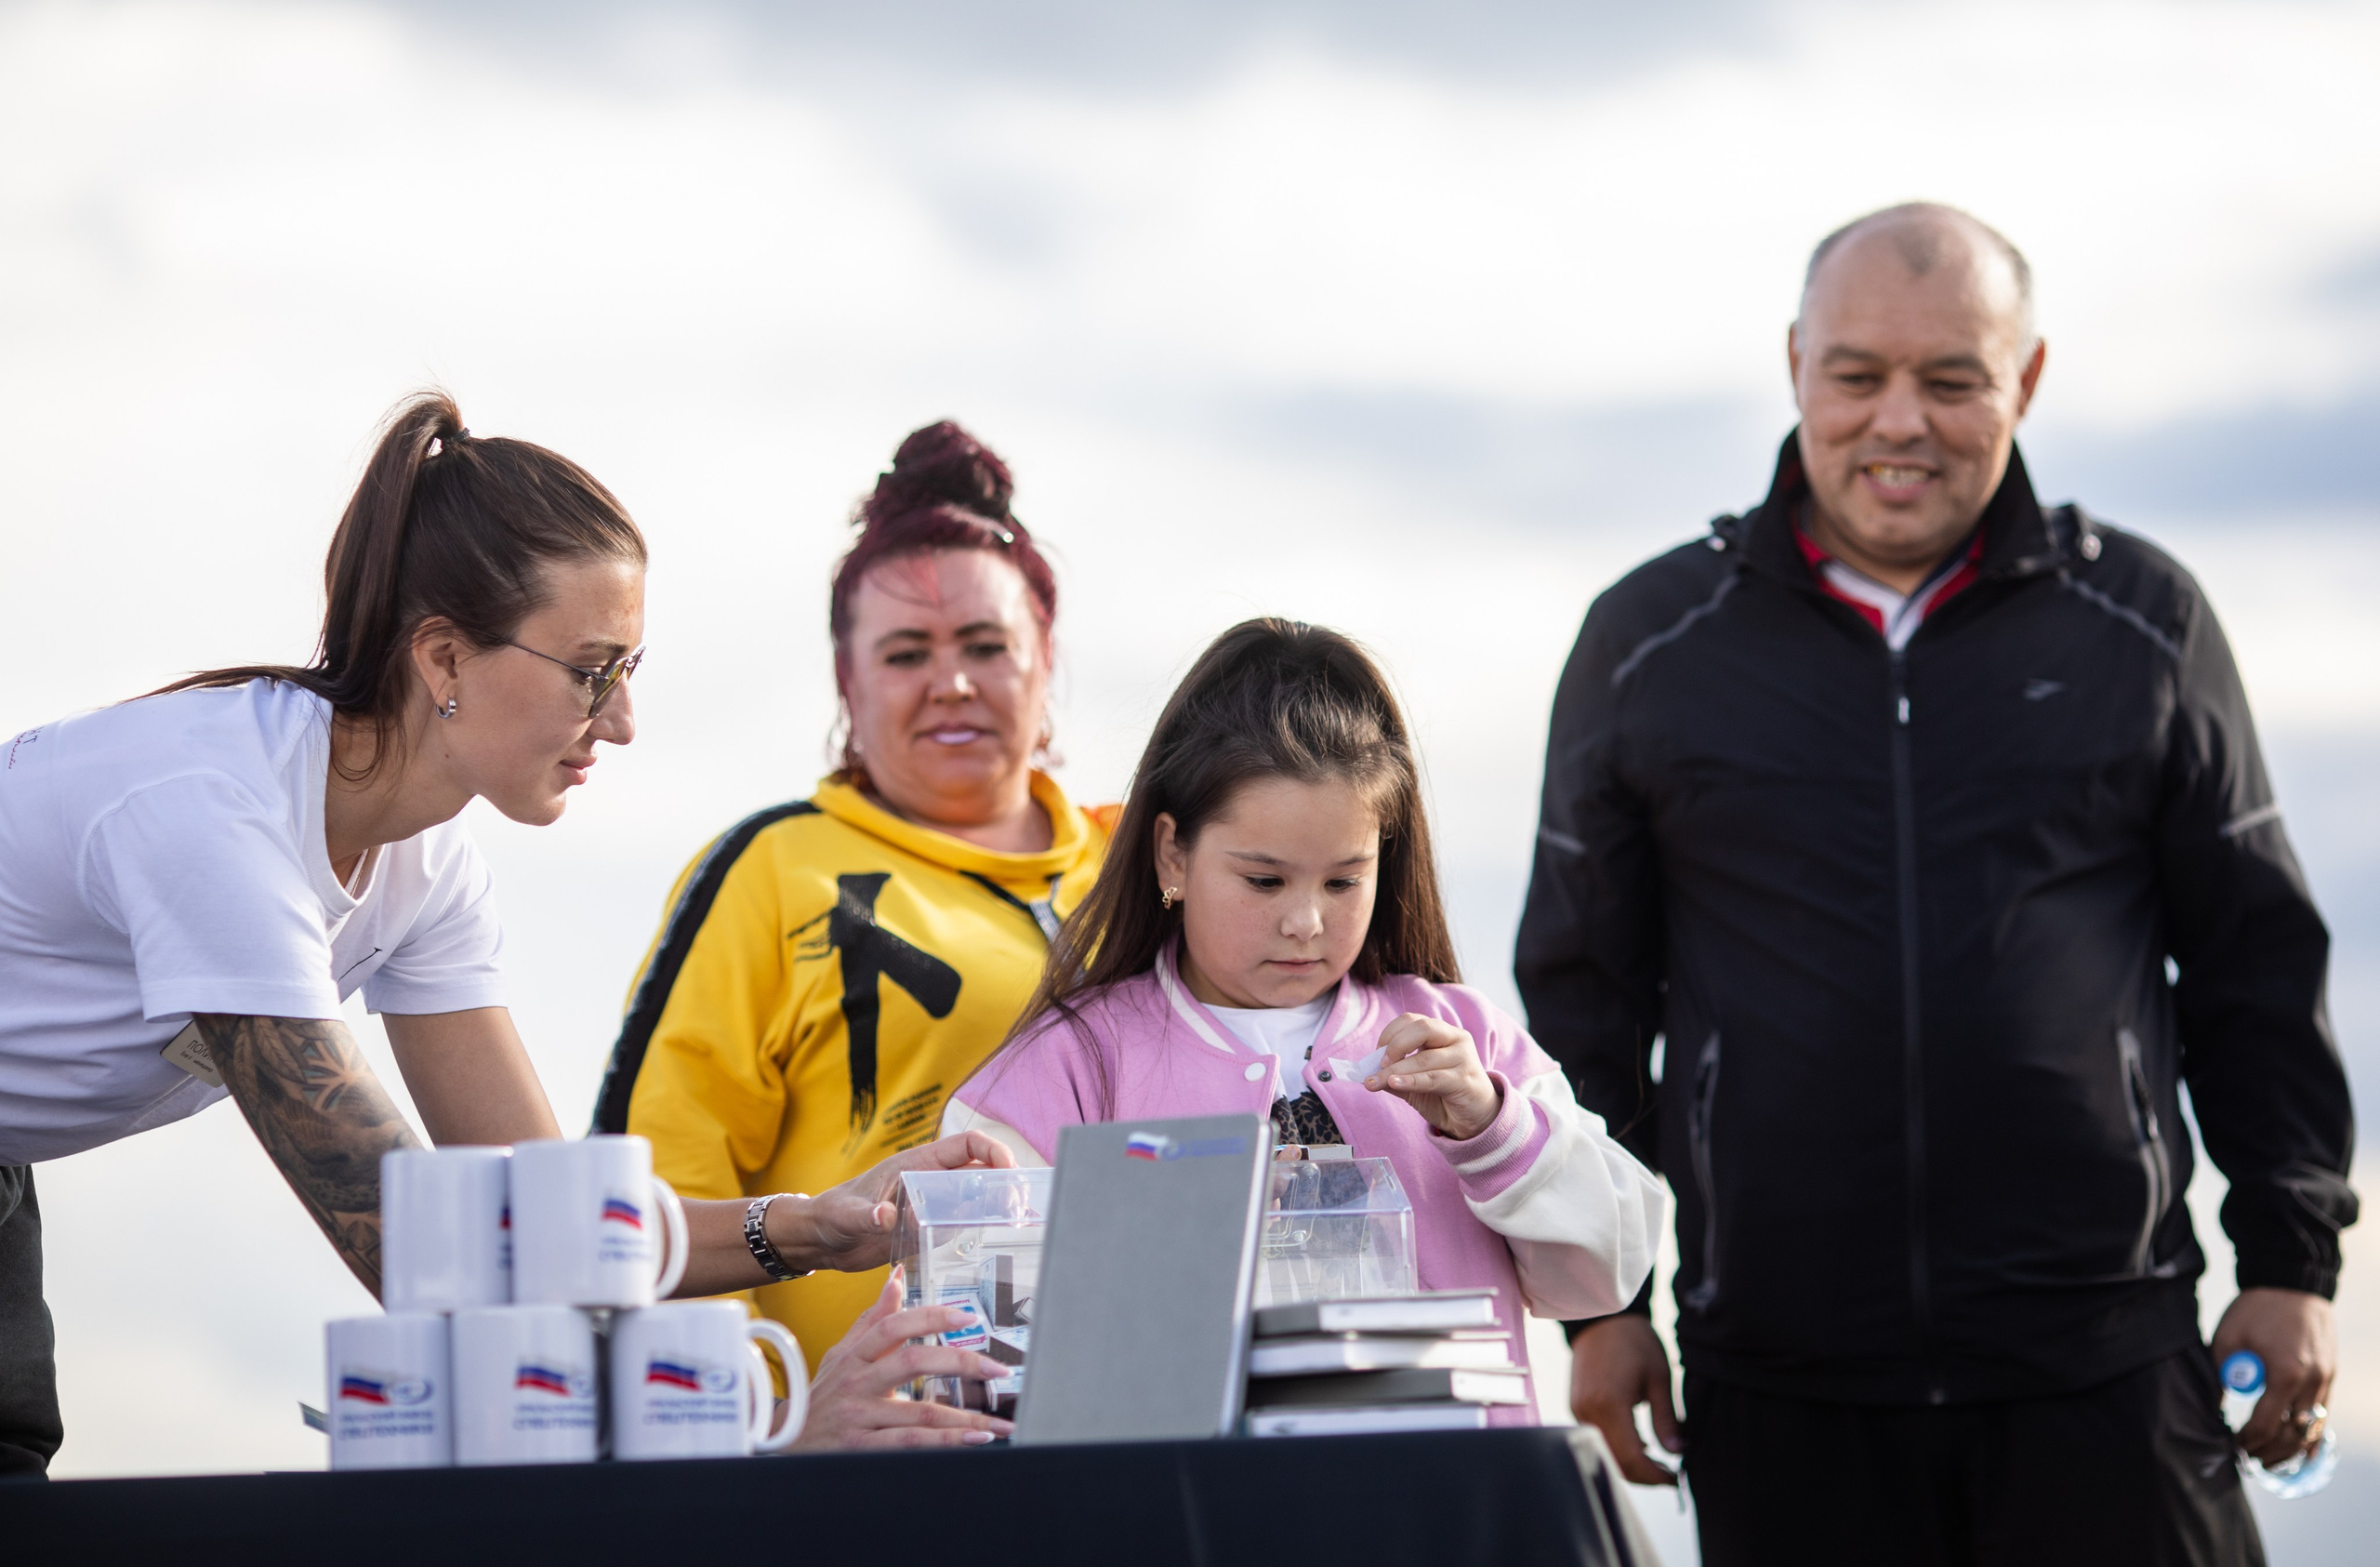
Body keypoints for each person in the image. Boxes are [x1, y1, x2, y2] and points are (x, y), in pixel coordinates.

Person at [1517, 204, 2357, 1564]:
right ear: (1796, 366)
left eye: (1952, 379)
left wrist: (2291, 1262)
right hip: (1781, 1384)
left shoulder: (2143, 622)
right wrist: (1600, 1307)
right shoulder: (1649, 643)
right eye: (1857, 374)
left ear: (2025, 378)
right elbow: (1581, 1006)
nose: (1898, 420)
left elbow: (2254, 962)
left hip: (2105, 1366)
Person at [0, 393, 1010, 1475]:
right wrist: (775, 1441)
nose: (621, 719)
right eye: (591, 669)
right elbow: (416, 1250)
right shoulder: (216, 813)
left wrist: (815, 1223)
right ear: (442, 659)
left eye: (630, 669)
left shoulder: (428, 865)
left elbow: (558, 1224)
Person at [945, 618, 1665, 1418]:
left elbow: (1607, 1271)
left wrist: (1494, 1127)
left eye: (1343, 881)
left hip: (1453, 1493)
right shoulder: (1068, 1065)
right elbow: (975, 1348)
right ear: (1172, 852)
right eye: (1264, 881)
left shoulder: (1468, 1039)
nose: (1306, 923)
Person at [594, 420, 1114, 1381]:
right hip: (867, 1444)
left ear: (1046, 656)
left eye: (987, 645)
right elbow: (653, 1189)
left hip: (1148, 1412)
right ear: (847, 676)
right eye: (907, 652)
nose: (951, 682)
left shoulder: (1156, 862)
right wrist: (770, 1432)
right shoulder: (772, 868)